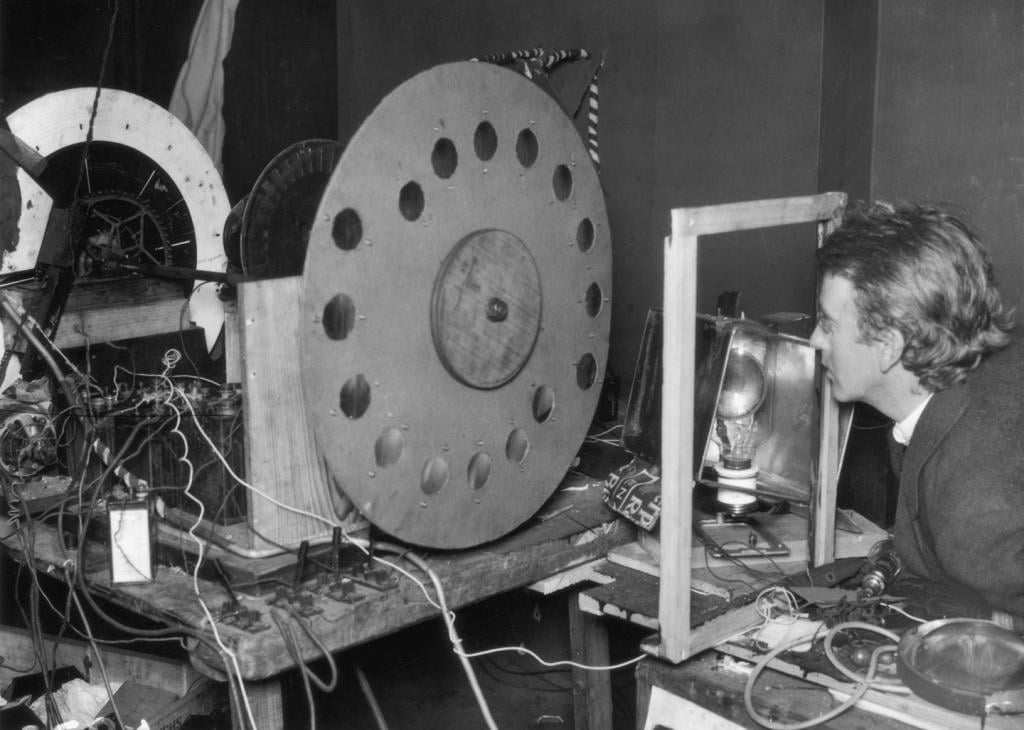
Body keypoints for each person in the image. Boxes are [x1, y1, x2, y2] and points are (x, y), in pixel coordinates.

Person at [809, 200, 1024, 625]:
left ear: (889, 346)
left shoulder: (970, 522)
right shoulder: (991, 373)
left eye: (829, 324)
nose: (815, 340)